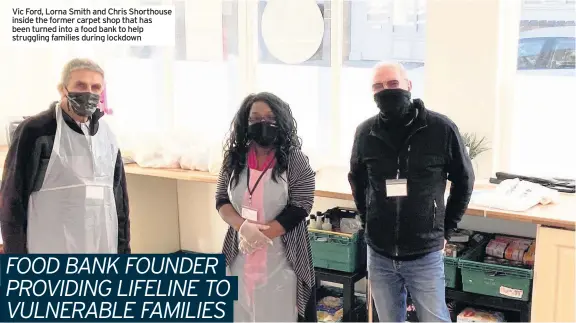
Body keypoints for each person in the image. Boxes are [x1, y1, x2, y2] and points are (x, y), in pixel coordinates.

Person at [348, 62, 474, 322]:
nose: (386, 91)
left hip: (424, 252)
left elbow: (464, 180)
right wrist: (367, 218)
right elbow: (357, 179)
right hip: (379, 253)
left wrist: (446, 229)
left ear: (409, 85)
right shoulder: (365, 132)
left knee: (435, 319)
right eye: (378, 87)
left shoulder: (440, 129)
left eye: (393, 84)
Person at [0, 58, 130, 254]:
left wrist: (123, 250)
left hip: (102, 248)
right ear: (62, 89)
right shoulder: (37, 131)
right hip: (49, 251)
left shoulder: (107, 136)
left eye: (96, 87)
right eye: (80, 85)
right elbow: (12, 200)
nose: (89, 92)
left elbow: (119, 201)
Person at [215, 92, 316, 322]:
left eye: (270, 117)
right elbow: (221, 199)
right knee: (240, 311)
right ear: (245, 122)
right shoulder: (234, 158)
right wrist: (243, 229)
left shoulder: (294, 160)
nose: (263, 123)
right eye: (255, 118)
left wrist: (262, 235)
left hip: (281, 258)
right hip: (240, 253)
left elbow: (301, 205)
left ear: (281, 121)